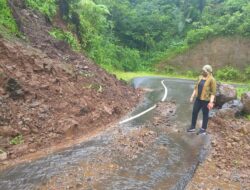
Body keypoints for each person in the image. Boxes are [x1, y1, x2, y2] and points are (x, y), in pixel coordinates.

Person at [187, 65, 216, 135]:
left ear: (208, 72)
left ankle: (203, 129)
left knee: (205, 114)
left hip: (206, 101)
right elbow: (196, 87)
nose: (202, 72)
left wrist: (211, 102)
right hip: (198, 99)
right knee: (194, 112)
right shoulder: (200, 77)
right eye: (202, 70)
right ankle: (192, 127)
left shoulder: (212, 80)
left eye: (204, 71)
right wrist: (192, 96)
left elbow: (213, 92)